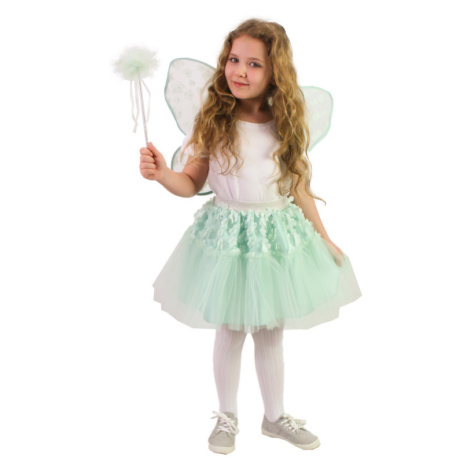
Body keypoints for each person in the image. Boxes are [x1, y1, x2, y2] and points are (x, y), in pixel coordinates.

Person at [139, 18, 361, 454]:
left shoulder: (286, 122)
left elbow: (299, 188)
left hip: (274, 236)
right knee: (231, 327)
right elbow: (191, 183)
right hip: (228, 235)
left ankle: (274, 417)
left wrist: (325, 237)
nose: (240, 71)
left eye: (254, 64)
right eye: (234, 60)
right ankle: (227, 417)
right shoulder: (214, 119)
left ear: (275, 70)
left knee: (271, 329)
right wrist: (164, 174)